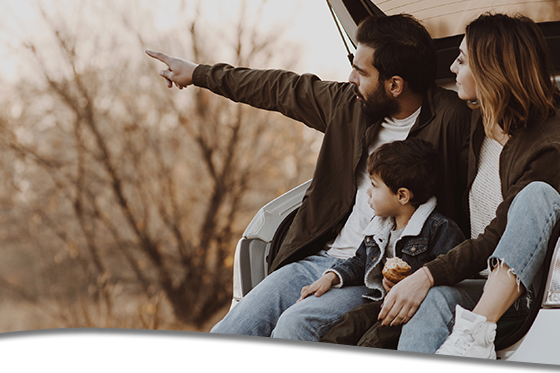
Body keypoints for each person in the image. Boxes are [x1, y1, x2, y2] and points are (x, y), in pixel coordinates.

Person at [145, 14, 472, 341]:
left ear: (395, 85)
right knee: (232, 327)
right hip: (318, 258)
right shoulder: (349, 105)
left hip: (371, 273)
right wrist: (199, 74)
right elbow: (278, 88)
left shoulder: (452, 121)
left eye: (361, 71)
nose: (351, 78)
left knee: (295, 324)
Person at [376, 13, 560, 358]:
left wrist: (427, 275)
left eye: (462, 60)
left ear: (492, 70)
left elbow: (501, 232)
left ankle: (475, 334)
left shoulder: (553, 143)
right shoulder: (480, 124)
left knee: (534, 196)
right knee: (430, 301)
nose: (451, 67)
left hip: (529, 289)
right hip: (480, 279)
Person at [296, 139, 465, 349]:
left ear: (402, 195)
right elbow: (360, 262)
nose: (367, 192)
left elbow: (451, 274)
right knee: (347, 326)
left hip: (413, 308)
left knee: (374, 339)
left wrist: (412, 282)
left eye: (374, 186)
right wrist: (331, 277)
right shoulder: (379, 226)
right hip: (382, 301)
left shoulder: (439, 228)